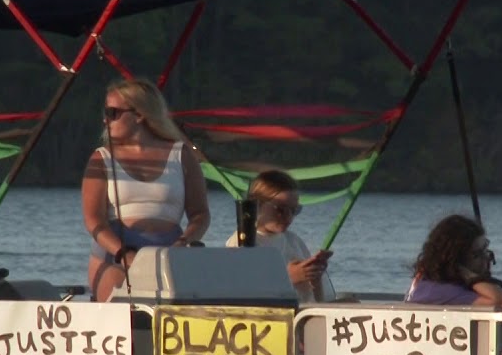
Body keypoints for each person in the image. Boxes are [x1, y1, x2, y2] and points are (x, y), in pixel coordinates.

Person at [82, 78, 210, 302]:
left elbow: (200, 214)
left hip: (170, 249)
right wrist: (124, 254)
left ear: (139, 115)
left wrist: (184, 243)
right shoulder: (101, 158)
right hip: (116, 251)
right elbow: (94, 220)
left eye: (113, 113)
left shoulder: (182, 154)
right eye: (105, 112)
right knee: (116, 297)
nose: (105, 119)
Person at [224, 170, 331, 301]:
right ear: (257, 205)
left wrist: (315, 277)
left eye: (294, 210)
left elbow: (318, 300)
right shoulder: (241, 242)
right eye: (280, 209)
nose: (288, 216)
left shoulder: (294, 241)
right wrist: (287, 278)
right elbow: (239, 292)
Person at [405, 214, 502, 310]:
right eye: (477, 254)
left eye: (485, 251)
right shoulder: (441, 291)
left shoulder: (428, 282)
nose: (485, 259)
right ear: (456, 261)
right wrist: (470, 276)